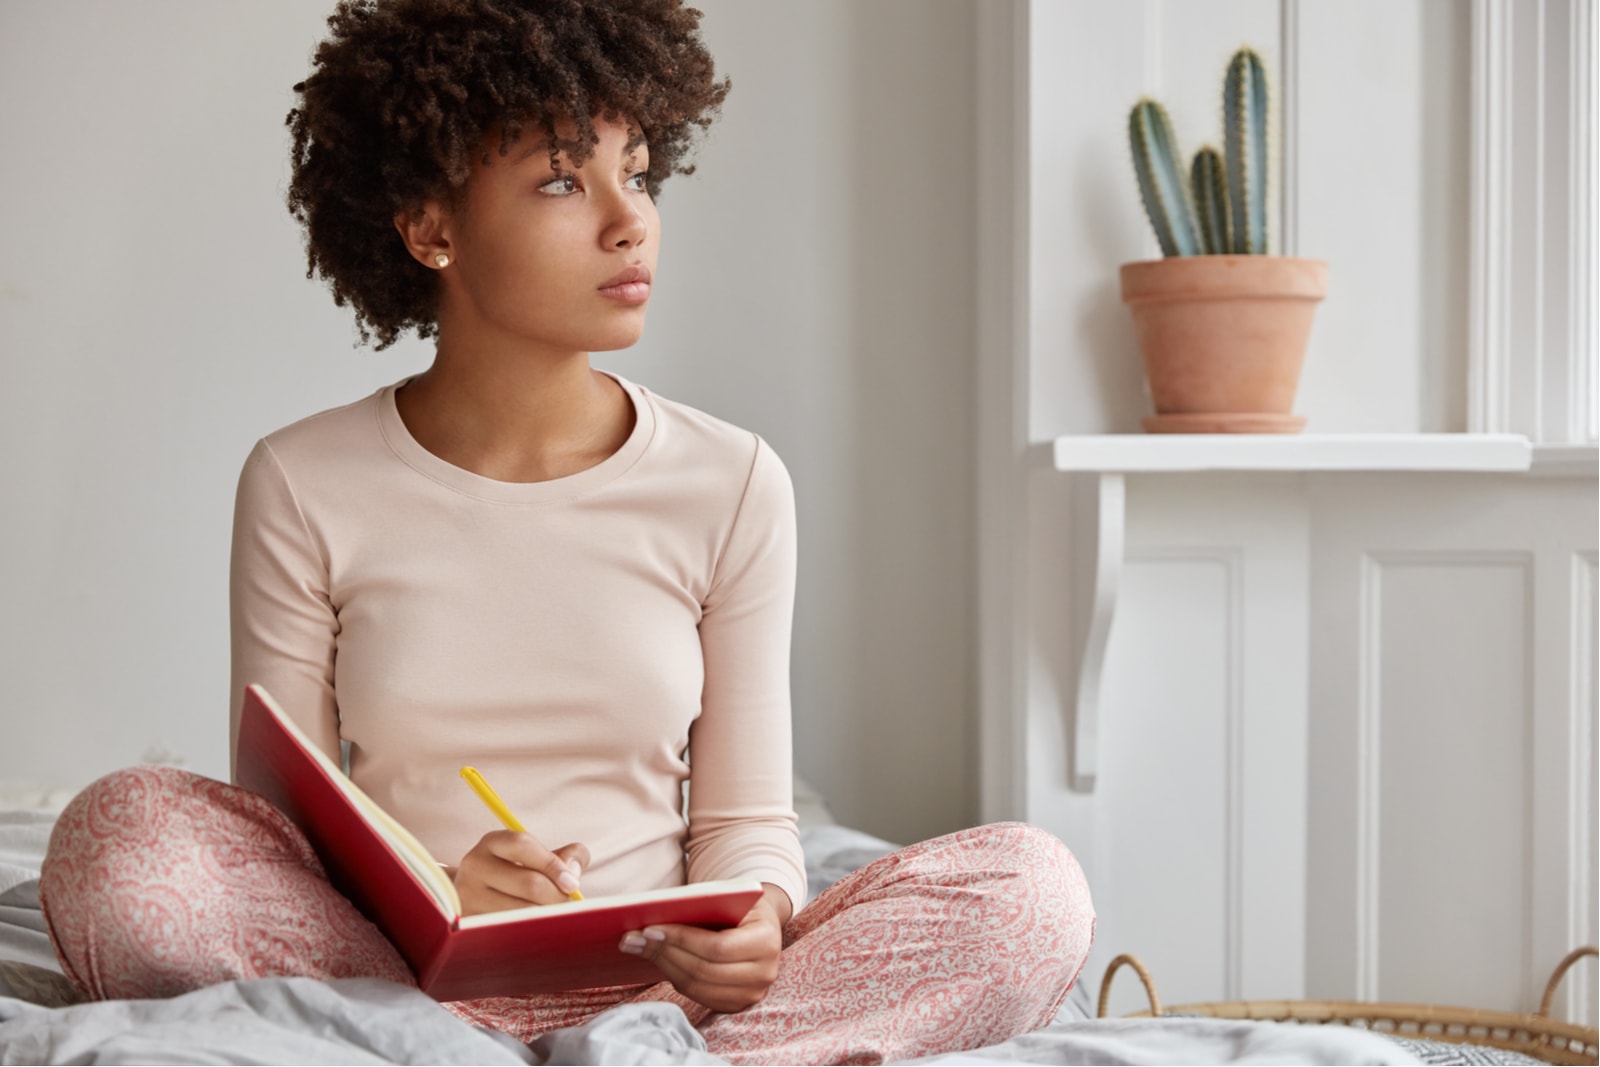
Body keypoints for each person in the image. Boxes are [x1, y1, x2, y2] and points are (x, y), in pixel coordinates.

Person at [38, 1, 1094, 1062]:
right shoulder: (302, 480)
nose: (627, 218)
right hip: (397, 976)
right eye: (560, 180)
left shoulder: (732, 481)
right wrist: (438, 889)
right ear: (430, 227)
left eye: (635, 172)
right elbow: (285, 833)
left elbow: (744, 823)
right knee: (118, 840)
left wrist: (761, 918)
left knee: (1030, 892)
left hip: (668, 992)